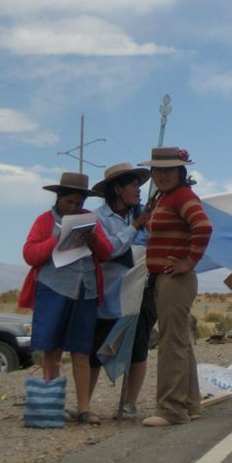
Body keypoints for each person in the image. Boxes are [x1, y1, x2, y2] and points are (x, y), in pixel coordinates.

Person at [19, 172, 113, 425]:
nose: (73, 207)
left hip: (85, 291)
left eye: (77, 203)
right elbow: (30, 254)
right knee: (53, 348)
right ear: (59, 198)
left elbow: (106, 252)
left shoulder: (90, 221)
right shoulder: (44, 221)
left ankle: (84, 408)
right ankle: (52, 406)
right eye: (68, 202)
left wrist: (93, 239)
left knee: (81, 350)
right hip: (54, 289)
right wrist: (55, 240)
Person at [138, 147, 213, 426]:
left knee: (171, 343)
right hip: (165, 278)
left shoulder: (182, 196)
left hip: (175, 278)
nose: (163, 175)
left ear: (181, 172)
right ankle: (190, 405)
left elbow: (203, 227)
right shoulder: (163, 198)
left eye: (169, 170)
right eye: (158, 170)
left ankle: (170, 409)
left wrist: (188, 261)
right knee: (180, 340)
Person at [87, 162, 156, 421]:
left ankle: (130, 403)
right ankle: (86, 404)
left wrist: (144, 226)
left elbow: (147, 246)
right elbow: (110, 250)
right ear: (117, 189)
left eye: (139, 186)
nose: (139, 190)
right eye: (133, 186)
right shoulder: (98, 219)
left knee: (139, 346)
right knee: (97, 348)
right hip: (108, 293)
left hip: (140, 290)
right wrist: (135, 227)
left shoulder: (144, 214)